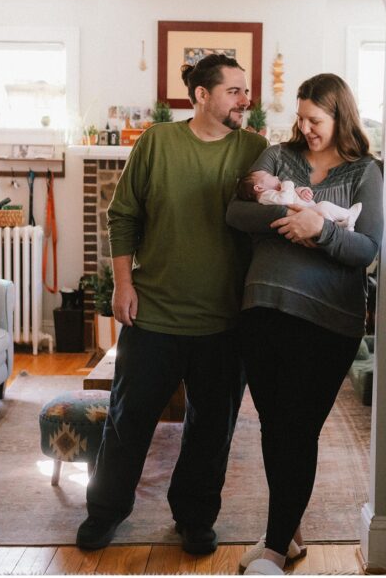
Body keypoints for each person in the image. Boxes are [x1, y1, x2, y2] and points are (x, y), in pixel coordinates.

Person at [76, 54, 267, 555]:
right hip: (154, 313)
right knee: (128, 421)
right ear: (201, 96)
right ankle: (106, 512)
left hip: (225, 321)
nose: (245, 101)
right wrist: (122, 285)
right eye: (234, 91)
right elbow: (123, 216)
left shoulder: (255, 149)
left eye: (246, 91)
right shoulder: (157, 143)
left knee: (212, 431)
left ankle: (195, 518)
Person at [226, 73, 383, 575]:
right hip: (265, 308)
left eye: (315, 120)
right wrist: (287, 214)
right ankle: (286, 533)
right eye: (301, 118)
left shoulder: (364, 172)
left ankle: (273, 549)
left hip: (327, 321)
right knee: (277, 427)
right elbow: (234, 211)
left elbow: (367, 249)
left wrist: (319, 231)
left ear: (340, 117)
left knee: (299, 427)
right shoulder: (278, 157)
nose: (306, 128)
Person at [236, 169, 363, 231]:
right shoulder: (265, 196)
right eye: (269, 176)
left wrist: (301, 191)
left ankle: (344, 225)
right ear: (259, 187)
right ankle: (348, 215)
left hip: (311, 211)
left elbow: (290, 197)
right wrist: (288, 183)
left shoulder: (273, 193)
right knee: (324, 205)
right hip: (309, 214)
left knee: (325, 211)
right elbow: (285, 199)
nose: (275, 176)